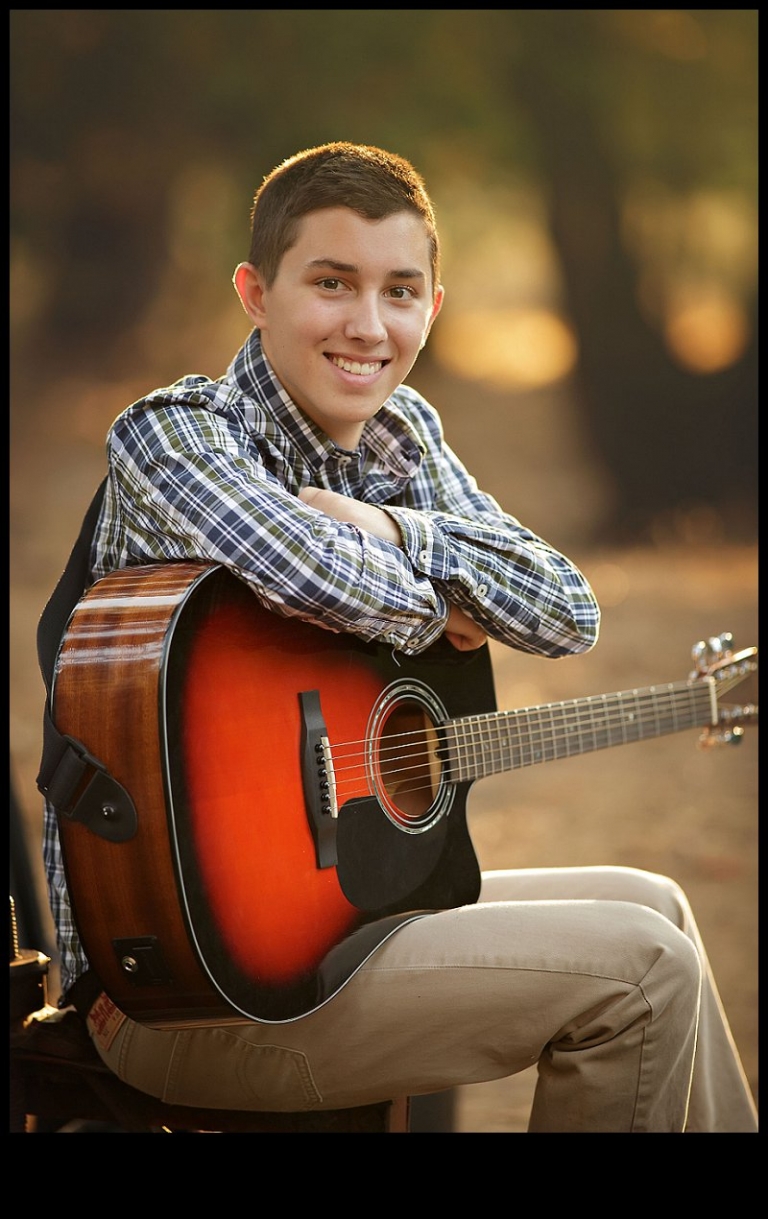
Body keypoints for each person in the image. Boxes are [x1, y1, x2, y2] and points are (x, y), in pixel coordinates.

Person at [42, 141, 757, 1132]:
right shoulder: (175, 434)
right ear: (255, 291)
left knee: (658, 906)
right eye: (332, 283)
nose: (369, 326)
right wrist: (446, 603)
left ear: (434, 303)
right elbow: (303, 568)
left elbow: (563, 606)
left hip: (333, 919)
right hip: (197, 987)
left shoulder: (402, 436)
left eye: (401, 291)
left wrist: (397, 529)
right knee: (643, 972)